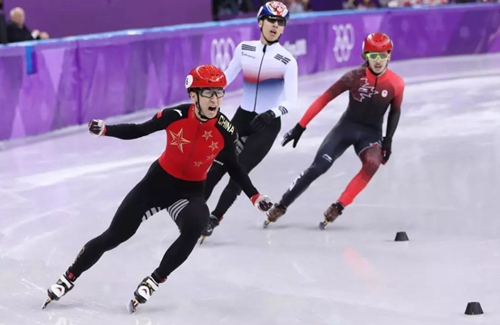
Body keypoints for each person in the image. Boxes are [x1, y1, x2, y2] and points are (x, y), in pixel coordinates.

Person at [42, 64, 274, 313]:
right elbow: (139, 130)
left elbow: (234, 167)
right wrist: (106, 130)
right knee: (114, 236)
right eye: (208, 93)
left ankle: (155, 279)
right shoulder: (175, 115)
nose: (215, 99)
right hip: (156, 185)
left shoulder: (225, 131)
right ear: (193, 95)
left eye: (219, 93)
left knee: (196, 225)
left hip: (190, 192)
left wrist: (254, 195)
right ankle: (69, 276)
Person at [264, 32, 405, 229]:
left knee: (373, 163)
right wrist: (300, 126)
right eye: (373, 55)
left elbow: (395, 112)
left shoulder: (396, 83)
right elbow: (324, 98)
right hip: (345, 129)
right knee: (319, 167)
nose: (378, 60)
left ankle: (338, 206)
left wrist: (388, 139)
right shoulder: (353, 77)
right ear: (366, 56)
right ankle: (282, 204)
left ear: (389, 55)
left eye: (383, 55)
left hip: (370, 135)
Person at [200, 0, 298, 242]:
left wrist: (272, 113)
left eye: (280, 23)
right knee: (217, 166)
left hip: (267, 124)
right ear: (260, 22)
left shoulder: (287, 61)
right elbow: (224, 78)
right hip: (241, 118)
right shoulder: (244, 49)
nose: (275, 26)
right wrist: (204, 88)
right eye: (271, 21)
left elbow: (292, 101)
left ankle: (214, 218)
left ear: (284, 28)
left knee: (239, 172)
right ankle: (195, 212)